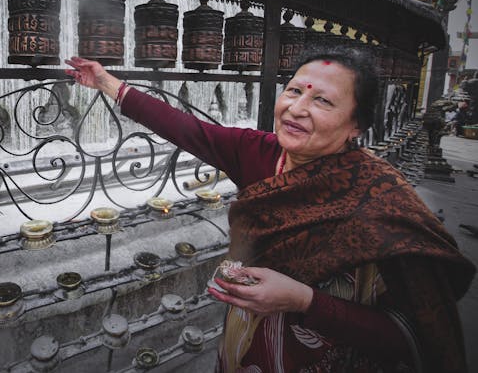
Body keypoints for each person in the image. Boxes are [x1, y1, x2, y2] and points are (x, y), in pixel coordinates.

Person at [65, 52, 475, 373]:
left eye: (322, 101)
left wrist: (304, 300)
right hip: (248, 346)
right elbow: (186, 128)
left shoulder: (381, 201)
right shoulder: (259, 153)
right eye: (294, 91)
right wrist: (105, 82)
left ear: (356, 126)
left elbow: (412, 336)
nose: (297, 108)